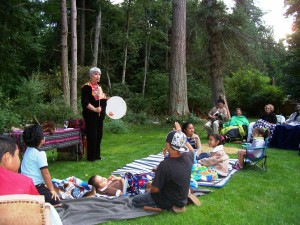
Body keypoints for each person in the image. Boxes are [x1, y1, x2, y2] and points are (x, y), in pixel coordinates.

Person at [132, 130, 196, 213]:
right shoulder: (188, 157)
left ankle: (163, 207)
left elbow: (155, 190)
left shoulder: (165, 165)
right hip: (182, 199)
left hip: (169, 202)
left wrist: (150, 188)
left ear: (168, 144)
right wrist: (181, 137)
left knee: (135, 200)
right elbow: (191, 150)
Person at [21, 124, 61, 206]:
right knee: (57, 202)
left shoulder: (27, 150)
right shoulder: (40, 154)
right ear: (41, 140)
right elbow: (45, 174)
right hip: (36, 186)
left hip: (25, 185)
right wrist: (51, 190)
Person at [81, 67, 107, 162]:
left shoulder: (99, 88)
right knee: (92, 136)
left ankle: (97, 155)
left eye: (99, 74)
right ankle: (91, 157)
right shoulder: (86, 87)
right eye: (96, 74)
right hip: (91, 116)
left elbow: (102, 100)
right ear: (91, 75)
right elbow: (85, 102)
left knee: (99, 135)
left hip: (100, 117)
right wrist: (95, 109)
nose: (98, 76)